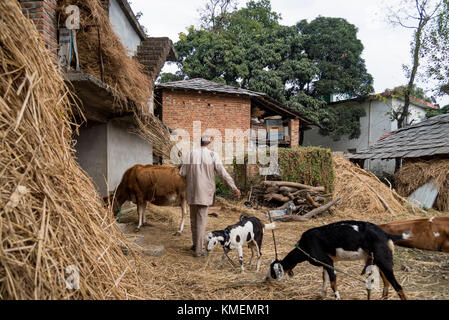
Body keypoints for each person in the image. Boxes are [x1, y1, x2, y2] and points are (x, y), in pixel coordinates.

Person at [179, 135, 241, 257]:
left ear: (200, 142)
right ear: (209, 142)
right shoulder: (213, 155)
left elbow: (182, 173)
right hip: (204, 193)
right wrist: (233, 186)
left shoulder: (190, 154)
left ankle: (195, 245)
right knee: (201, 222)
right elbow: (222, 173)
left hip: (192, 192)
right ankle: (198, 251)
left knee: (193, 220)